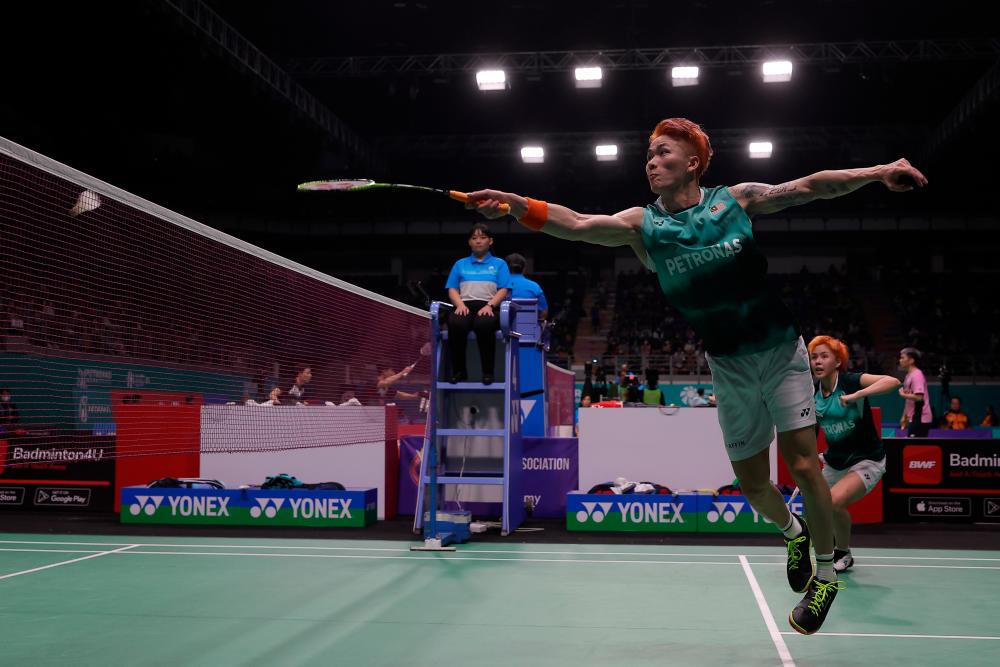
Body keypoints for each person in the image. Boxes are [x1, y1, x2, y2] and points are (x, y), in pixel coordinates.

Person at [467, 116, 927, 635]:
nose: (652, 162)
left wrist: (878, 171)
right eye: (649, 155)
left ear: (693, 162)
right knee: (753, 484)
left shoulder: (735, 201)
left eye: (664, 153)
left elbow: (810, 186)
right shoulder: (644, 225)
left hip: (781, 352)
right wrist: (512, 203)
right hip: (727, 364)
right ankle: (792, 531)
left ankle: (825, 577)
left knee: (803, 464)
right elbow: (573, 223)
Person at [809, 335, 901, 574]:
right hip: (834, 461)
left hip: (867, 459)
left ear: (838, 362)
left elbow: (892, 381)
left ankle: (843, 553)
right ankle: (827, 550)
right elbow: (813, 430)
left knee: (835, 501)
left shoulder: (850, 381)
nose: (817, 361)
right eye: (814, 357)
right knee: (817, 508)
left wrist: (857, 396)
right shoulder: (813, 392)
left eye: (824, 356)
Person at [444, 223, 512, 384]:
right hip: (465, 305)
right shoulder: (460, 264)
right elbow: (452, 289)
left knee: (484, 325)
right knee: (455, 323)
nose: (478, 241)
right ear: (469, 242)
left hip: (488, 306)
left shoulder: (499, 264)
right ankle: (460, 372)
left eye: (482, 237)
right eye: (474, 238)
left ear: (490, 241)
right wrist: (459, 305)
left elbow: (503, 289)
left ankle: (488, 372)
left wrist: (490, 306)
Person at [898, 348, 933, 437]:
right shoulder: (908, 376)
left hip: (921, 418)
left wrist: (903, 394)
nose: (900, 360)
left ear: (911, 360)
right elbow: (908, 399)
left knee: (917, 447)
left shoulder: (917, 375)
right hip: (913, 418)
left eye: (903, 358)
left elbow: (919, 397)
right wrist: (904, 416)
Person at [504, 253, 549, 320]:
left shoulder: (498, 285)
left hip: (502, 327)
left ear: (504, 268)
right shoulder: (535, 286)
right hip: (529, 328)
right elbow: (544, 313)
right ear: (524, 268)